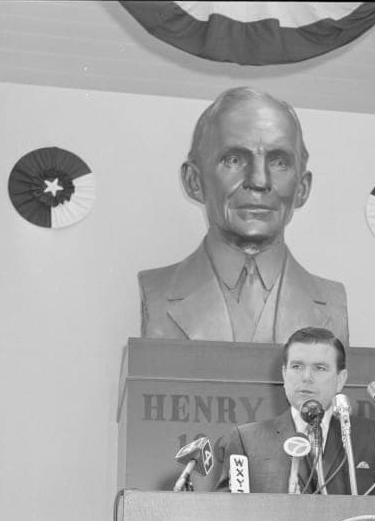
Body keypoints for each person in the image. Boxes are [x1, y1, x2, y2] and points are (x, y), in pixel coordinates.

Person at [139, 87, 349, 344]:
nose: (259, 181)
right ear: (194, 181)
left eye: (279, 162)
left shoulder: (333, 301)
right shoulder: (157, 290)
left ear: (302, 188)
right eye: (234, 160)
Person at [216, 327, 375, 495]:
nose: (306, 377)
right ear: (284, 374)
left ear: (341, 379)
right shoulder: (247, 440)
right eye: (297, 367)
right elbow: (229, 515)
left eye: (320, 368)